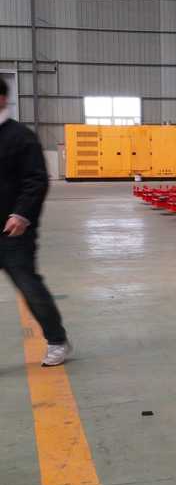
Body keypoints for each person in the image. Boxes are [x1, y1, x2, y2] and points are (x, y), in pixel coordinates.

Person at [0, 76, 71, 366]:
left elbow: (36, 180)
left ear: (1, 99)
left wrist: (21, 215)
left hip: (14, 233)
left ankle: (57, 341)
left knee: (29, 287)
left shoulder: (21, 137)